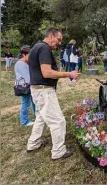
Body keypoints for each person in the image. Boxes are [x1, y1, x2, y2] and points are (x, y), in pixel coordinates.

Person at [26, 27, 80, 160]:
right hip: (44, 91)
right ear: (51, 35)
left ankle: (33, 143)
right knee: (58, 121)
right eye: (58, 39)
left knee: (41, 118)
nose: (60, 42)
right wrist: (69, 74)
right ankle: (58, 151)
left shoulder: (36, 47)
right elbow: (47, 72)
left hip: (37, 89)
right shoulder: (44, 48)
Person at [14, 46, 36, 126]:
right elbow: (27, 78)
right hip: (24, 87)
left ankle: (37, 116)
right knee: (25, 103)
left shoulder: (24, 62)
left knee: (34, 102)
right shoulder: (21, 64)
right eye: (29, 56)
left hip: (27, 86)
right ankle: (24, 121)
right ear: (24, 55)